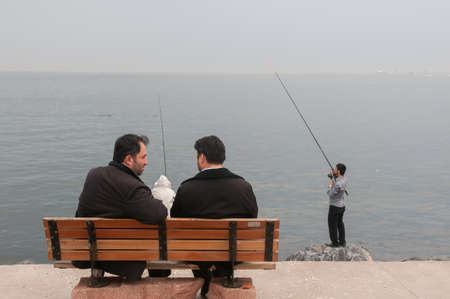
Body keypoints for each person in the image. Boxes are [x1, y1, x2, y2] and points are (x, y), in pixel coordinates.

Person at [73, 134, 169, 281]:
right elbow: (159, 214)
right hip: (118, 257)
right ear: (129, 159)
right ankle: (160, 284)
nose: (146, 162)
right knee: (157, 232)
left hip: (86, 251)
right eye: (143, 157)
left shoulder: (94, 174)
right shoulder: (131, 187)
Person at [170, 135, 258, 295]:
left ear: (202, 158)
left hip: (196, 254)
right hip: (233, 254)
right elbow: (252, 217)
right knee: (224, 250)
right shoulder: (243, 187)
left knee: (198, 250)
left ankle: (205, 282)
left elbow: (175, 221)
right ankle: (217, 283)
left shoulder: (187, 189)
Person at [326, 163, 348, 248]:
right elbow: (339, 181)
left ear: (338, 171)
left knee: (332, 224)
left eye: (335, 169)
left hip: (334, 207)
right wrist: (334, 177)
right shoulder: (344, 179)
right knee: (340, 223)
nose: (334, 170)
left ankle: (335, 243)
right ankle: (342, 242)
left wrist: (330, 185)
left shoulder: (338, 184)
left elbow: (330, 194)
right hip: (342, 206)